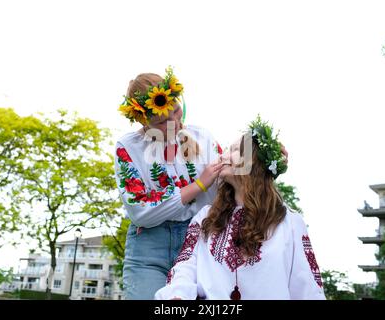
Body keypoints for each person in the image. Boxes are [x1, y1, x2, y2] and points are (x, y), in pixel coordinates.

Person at [155, 116, 326, 300]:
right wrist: (178, 294)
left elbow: (306, 287)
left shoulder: (289, 222)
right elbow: (186, 265)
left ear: (255, 163)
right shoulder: (206, 218)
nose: (224, 155)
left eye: (235, 150)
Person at [114, 67, 224, 299]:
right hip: (148, 250)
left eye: (176, 111)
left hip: (199, 243)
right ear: (143, 119)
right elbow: (141, 211)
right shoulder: (128, 148)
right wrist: (199, 186)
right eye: (162, 121)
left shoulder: (203, 138)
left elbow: (232, 182)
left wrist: (268, 160)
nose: (175, 122)